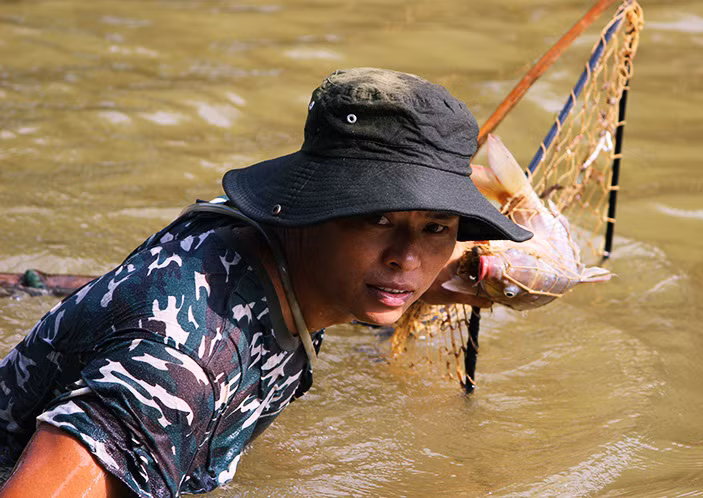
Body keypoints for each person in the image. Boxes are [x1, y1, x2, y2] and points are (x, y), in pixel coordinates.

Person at [0, 68, 531, 497]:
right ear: (314, 209)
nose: (409, 260)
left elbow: (402, 264)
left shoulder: (262, 243)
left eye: (437, 228)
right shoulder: (176, 370)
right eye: (376, 219)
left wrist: (492, 278)